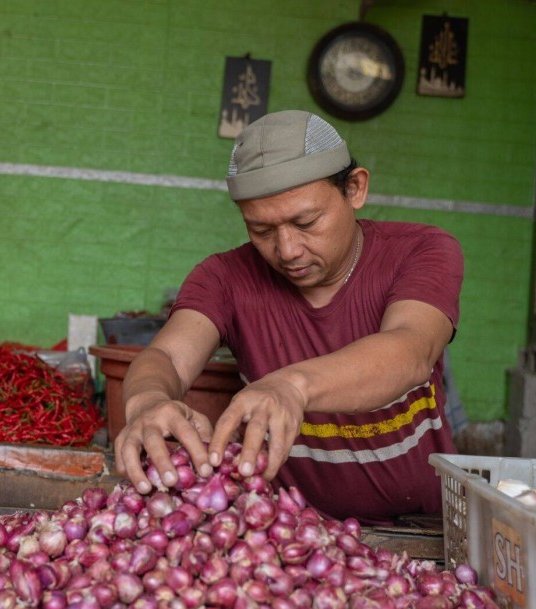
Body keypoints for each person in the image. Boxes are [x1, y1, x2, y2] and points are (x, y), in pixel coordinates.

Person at [114, 110, 464, 525]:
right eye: (261, 230)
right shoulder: (224, 278)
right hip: (290, 534)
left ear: (355, 188)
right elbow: (168, 358)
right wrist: (147, 401)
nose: (288, 250)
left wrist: (291, 387)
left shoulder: (420, 251)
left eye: (306, 222)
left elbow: (411, 349)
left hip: (422, 526)